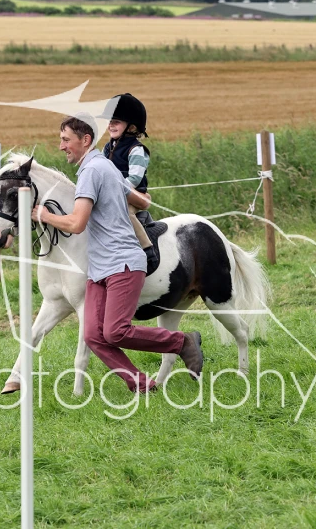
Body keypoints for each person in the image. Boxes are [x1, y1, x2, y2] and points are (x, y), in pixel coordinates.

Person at [32, 113, 203, 393]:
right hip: (98, 268)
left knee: (115, 332)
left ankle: (182, 342)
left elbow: (76, 224)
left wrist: (44, 215)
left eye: (66, 140)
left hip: (122, 263)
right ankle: (142, 385)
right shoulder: (105, 166)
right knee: (93, 336)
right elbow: (141, 201)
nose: (61, 146)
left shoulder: (91, 171)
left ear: (85, 140)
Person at [99, 93, 158, 268]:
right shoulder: (108, 147)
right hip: (112, 193)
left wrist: (114, 189)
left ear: (132, 126)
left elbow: (134, 178)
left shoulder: (137, 150)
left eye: (116, 122)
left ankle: (147, 249)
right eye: (110, 121)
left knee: (125, 212)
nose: (111, 125)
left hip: (132, 195)